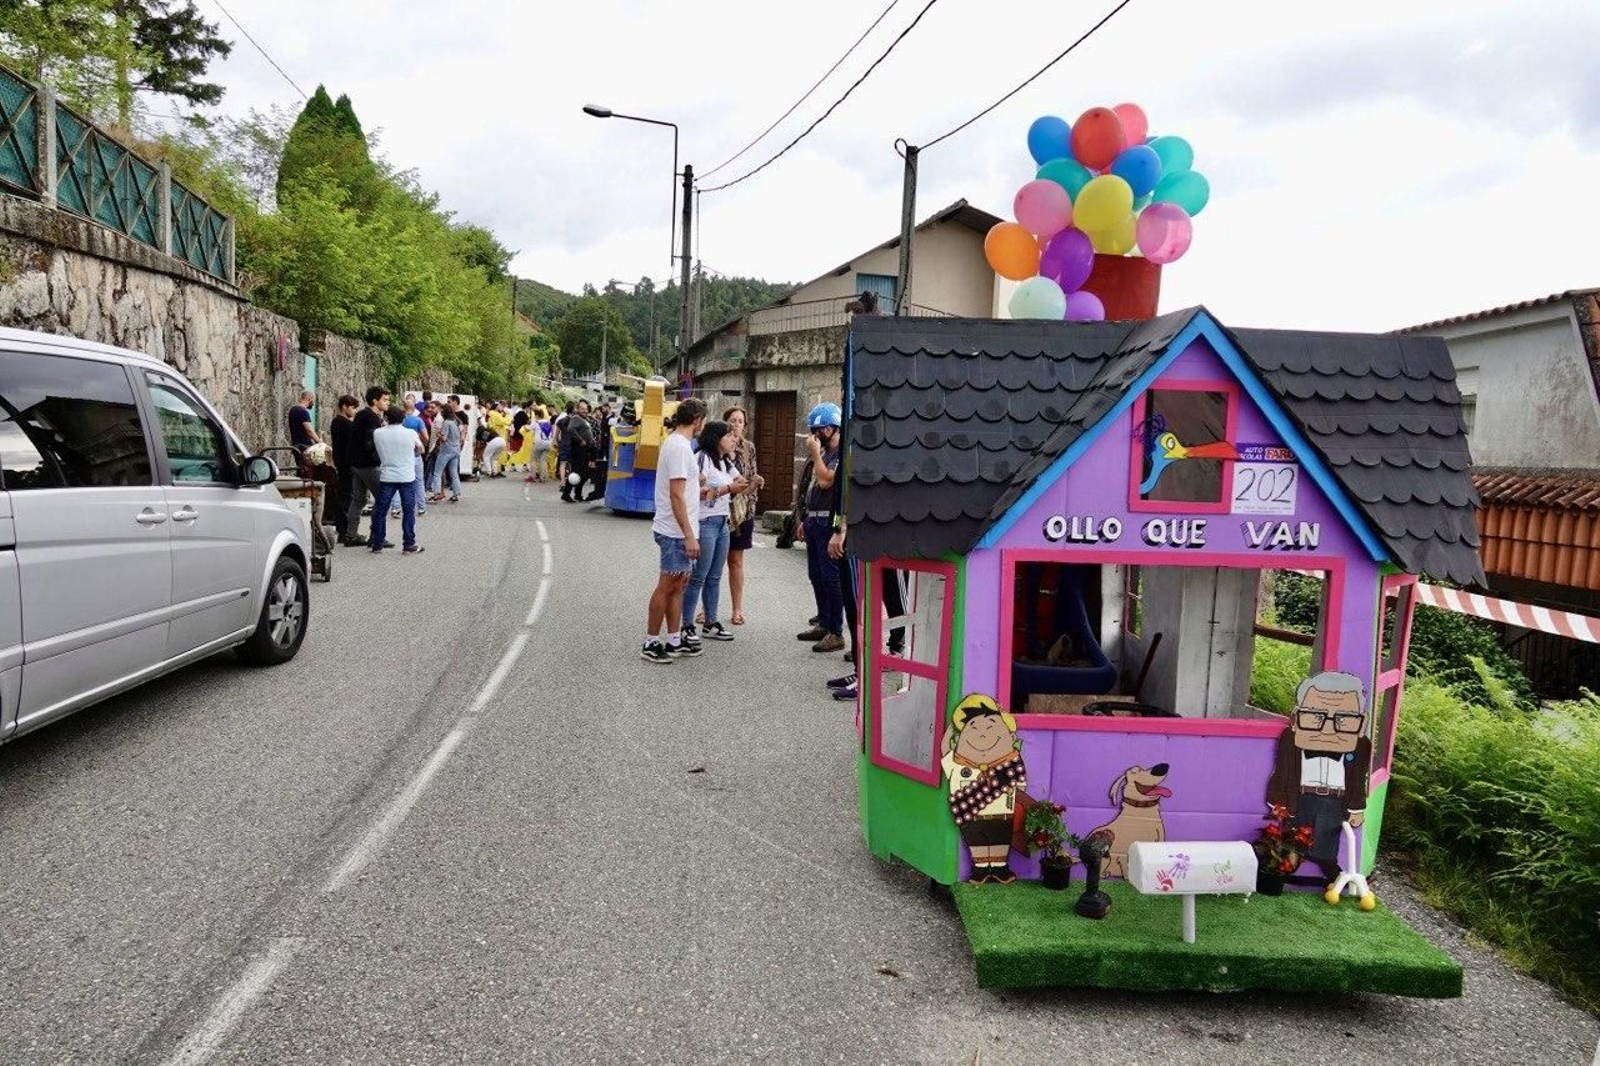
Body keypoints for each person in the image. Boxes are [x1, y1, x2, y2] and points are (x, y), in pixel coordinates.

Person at [1265, 671, 1371, 887]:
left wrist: (1357, 808)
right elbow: (1282, 771)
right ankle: (1285, 870)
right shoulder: (1290, 740)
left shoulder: (1361, 747)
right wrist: (1277, 801)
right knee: (1295, 835)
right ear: (1295, 718)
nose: (1329, 730)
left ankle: (1331, 872)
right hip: (1301, 796)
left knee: (1328, 836)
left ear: (1361, 724)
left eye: (1344, 719)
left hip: (1336, 800)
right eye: (1315, 717)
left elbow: (1358, 780)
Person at [642, 398, 708, 665]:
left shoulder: (678, 445)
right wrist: (689, 535)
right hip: (675, 531)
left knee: (678, 585)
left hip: (677, 528)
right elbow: (676, 496)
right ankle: (651, 641)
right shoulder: (680, 448)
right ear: (697, 421)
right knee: (667, 585)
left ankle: (673, 638)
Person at [682, 420, 748, 644]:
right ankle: (687, 625)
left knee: (715, 576)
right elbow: (696, 492)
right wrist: (728, 489)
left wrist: (752, 482)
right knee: (698, 575)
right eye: (729, 436)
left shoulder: (725, 461)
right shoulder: (701, 457)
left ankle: (711, 622)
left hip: (722, 522)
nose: (733, 439)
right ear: (716, 438)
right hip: (705, 521)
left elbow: (741, 483)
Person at [796, 401, 845, 653]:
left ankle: (836, 630)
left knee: (830, 577)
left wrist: (815, 454)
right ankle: (824, 621)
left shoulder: (842, 454)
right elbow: (814, 486)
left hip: (830, 522)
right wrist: (805, 519)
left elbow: (826, 481)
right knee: (816, 575)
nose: (814, 436)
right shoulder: (825, 453)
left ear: (831, 428)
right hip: (815, 520)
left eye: (819, 431)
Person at [722, 406, 762, 626]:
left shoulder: (749, 448)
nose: (736, 424)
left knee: (736, 561)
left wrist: (755, 481)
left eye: (740, 421)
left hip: (741, 512)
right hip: (718, 509)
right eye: (733, 420)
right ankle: (705, 608)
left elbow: (750, 475)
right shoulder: (718, 446)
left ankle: (737, 609)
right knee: (712, 561)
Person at [370, 404, 425, 555]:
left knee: (381, 510)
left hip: (387, 475)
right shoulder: (411, 433)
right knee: (408, 511)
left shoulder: (378, 433)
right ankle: (408, 544)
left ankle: (377, 543)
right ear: (403, 418)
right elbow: (421, 449)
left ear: (386, 417)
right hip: (407, 475)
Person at [345, 386, 389, 545]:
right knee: (382, 498)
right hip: (368, 465)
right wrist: (379, 460)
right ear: (375, 401)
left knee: (358, 500)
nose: (387, 403)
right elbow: (371, 443)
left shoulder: (361, 415)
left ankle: (350, 535)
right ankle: (376, 536)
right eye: (384, 400)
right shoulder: (371, 417)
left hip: (356, 463)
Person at [328, 395, 361, 543]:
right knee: (346, 497)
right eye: (352, 407)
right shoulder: (344, 423)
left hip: (342, 463)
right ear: (344, 406)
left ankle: (343, 529)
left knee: (345, 496)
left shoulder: (337, 422)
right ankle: (345, 530)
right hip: (346, 464)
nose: (354, 411)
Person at [428, 395, 463, 502]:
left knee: (437, 472)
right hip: (456, 449)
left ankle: (437, 493)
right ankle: (456, 493)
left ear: (444, 412)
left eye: (441, 410)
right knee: (453, 473)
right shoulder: (456, 422)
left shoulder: (447, 423)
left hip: (446, 450)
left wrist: (438, 433)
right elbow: (461, 432)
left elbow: (444, 438)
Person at [401, 404, 428, 517]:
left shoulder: (399, 420)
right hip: (415, 454)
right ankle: (421, 507)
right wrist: (423, 445)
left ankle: (396, 508)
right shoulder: (418, 421)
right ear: (414, 409)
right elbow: (426, 437)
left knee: (400, 482)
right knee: (419, 482)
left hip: (401, 455)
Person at [288, 390, 320, 456]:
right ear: (309, 399)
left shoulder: (292, 410)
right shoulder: (303, 411)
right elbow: (309, 430)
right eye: (313, 400)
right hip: (304, 446)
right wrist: (319, 442)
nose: (313, 403)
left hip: (296, 446)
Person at [529, 406, 553, 483]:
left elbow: (527, 429)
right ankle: (543, 478)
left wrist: (525, 425)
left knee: (533, 459)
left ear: (536, 415)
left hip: (539, 443)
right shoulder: (548, 422)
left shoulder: (536, 422)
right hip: (548, 443)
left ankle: (533, 476)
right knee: (543, 460)